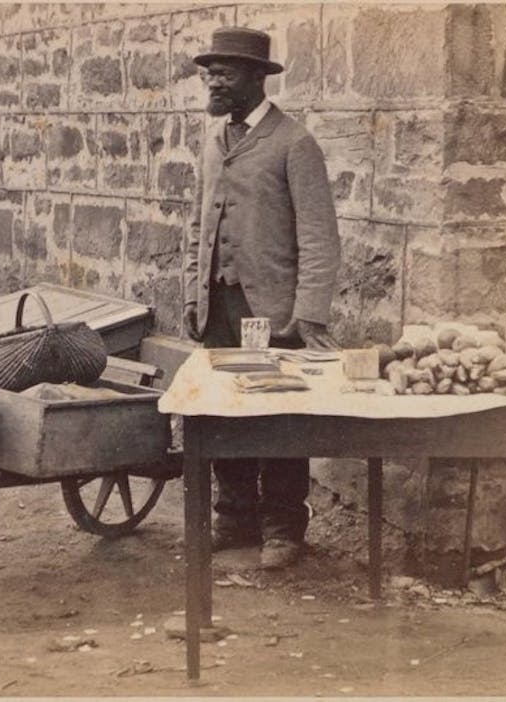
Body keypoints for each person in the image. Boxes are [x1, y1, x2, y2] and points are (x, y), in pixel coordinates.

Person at [182, 26, 341, 569]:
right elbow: (197, 222)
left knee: (279, 418)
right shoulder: (212, 140)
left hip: (272, 311)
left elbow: (320, 236)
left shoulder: (295, 143)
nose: (213, 82)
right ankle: (235, 517)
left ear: (256, 77)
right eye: (210, 74)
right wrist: (192, 292)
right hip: (219, 306)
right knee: (224, 412)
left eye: (225, 73)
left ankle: (282, 527)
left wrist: (308, 312)